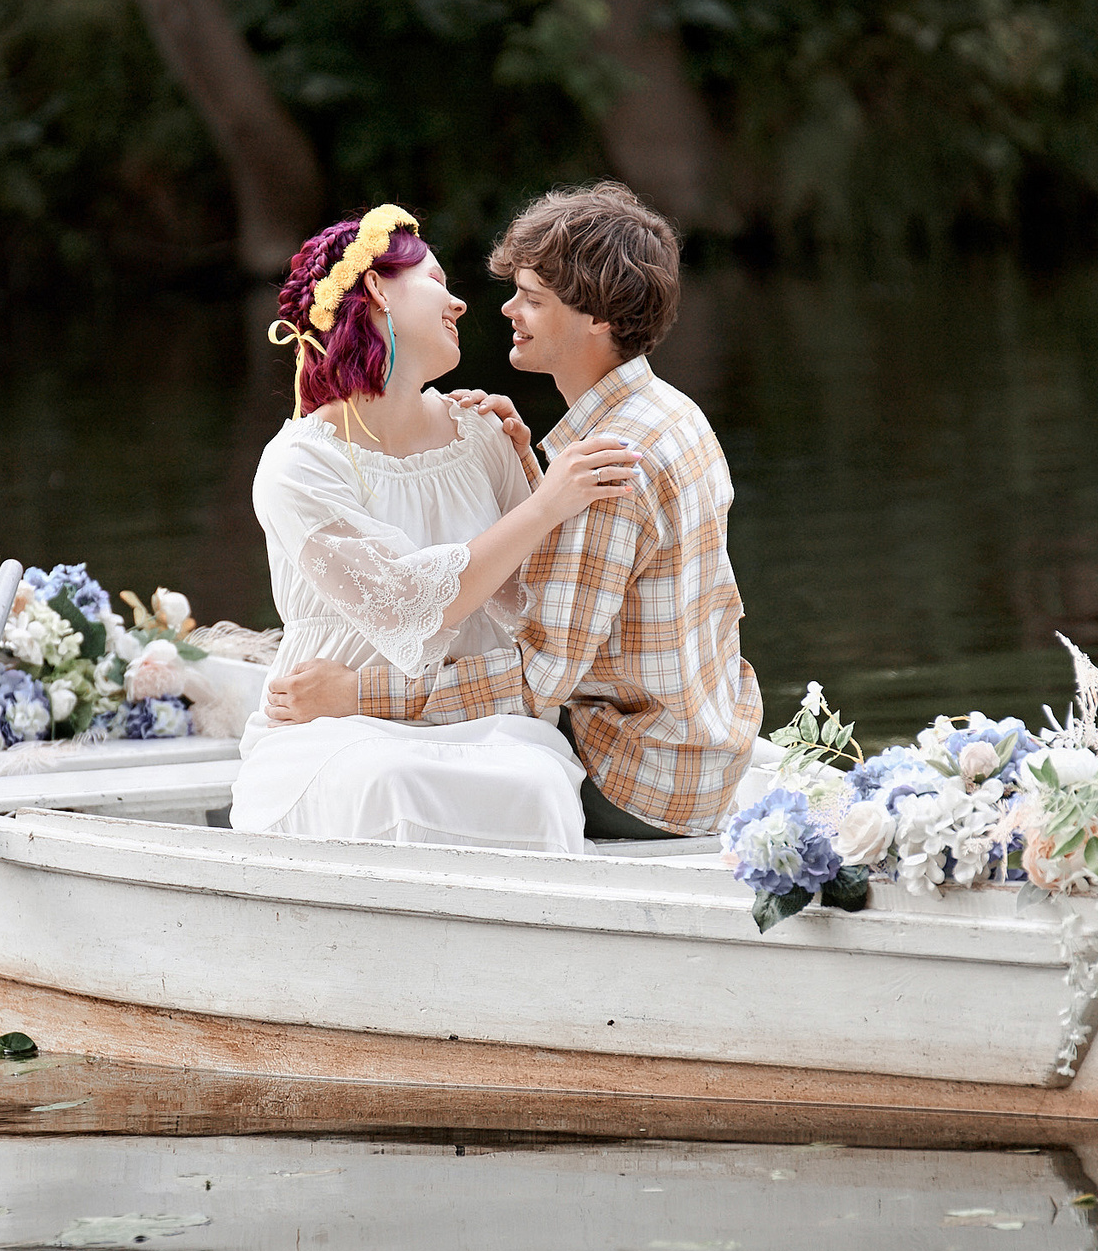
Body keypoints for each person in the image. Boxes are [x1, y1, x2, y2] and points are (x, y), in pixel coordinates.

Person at [268, 182, 763, 840]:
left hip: (638, 778)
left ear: (595, 319)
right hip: (693, 753)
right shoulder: (664, 415)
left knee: (496, 787)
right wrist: (535, 474)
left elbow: (536, 681)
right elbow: (558, 577)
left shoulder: (605, 466)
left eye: (531, 297)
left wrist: (356, 696)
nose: (500, 307)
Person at [229, 203, 643, 851]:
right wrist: (545, 505)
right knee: (387, 780)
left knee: (536, 785)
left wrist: (532, 474)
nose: (458, 304)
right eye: (436, 283)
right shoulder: (297, 465)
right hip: (332, 727)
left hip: (481, 719)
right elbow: (407, 606)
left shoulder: (481, 432)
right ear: (374, 292)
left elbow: (547, 607)